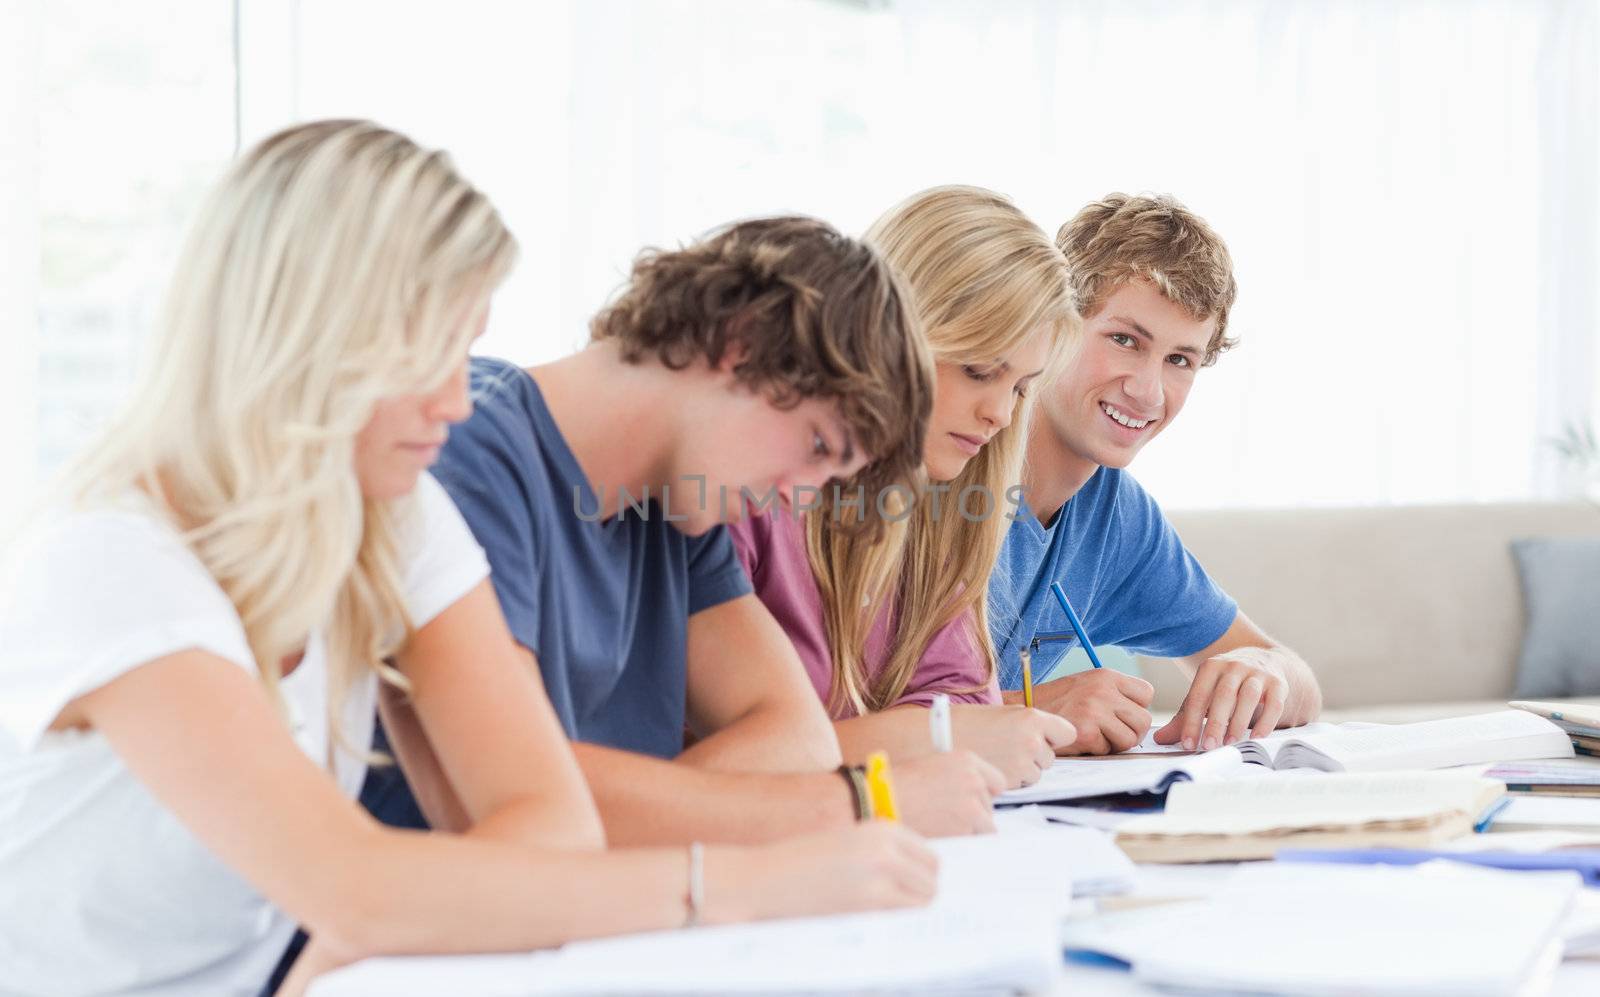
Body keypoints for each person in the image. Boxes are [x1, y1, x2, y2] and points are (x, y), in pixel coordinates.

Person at [0, 120, 937, 997]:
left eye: (470, 350)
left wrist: (369, 922)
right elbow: (355, 888)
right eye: (432, 353)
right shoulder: (113, 561)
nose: (455, 401)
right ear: (312, 335)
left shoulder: (393, 519)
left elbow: (552, 826)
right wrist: (744, 876)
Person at [368, 212, 1006, 846]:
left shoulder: (679, 509)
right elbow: (498, 800)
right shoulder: (461, 450)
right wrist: (862, 805)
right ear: (741, 343)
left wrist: (634, 814)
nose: (797, 497)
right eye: (816, 444)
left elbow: (796, 735)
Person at [730, 186, 1080, 789]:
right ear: (892, 331)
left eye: (1021, 387)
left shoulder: (940, 508)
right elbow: (721, 759)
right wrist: (926, 736)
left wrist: (930, 733)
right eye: (978, 370)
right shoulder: (753, 489)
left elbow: (969, 709)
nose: (1000, 414)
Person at [989, 192, 1322, 755]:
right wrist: (1031, 710)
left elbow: (1299, 682)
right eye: (1125, 340)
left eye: (1179, 361)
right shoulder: (952, 462)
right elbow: (844, 713)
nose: (1148, 391)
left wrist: (1262, 669)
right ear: (1052, 326)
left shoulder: (1117, 517)